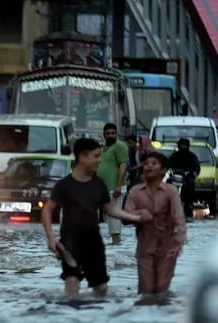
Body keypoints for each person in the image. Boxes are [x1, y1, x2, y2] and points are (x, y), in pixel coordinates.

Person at [42, 137, 148, 298]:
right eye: (96, 156)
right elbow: (47, 210)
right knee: (72, 289)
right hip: (70, 241)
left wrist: (134, 217)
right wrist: (50, 237)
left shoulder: (98, 184)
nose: (99, 161)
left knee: (101, 289)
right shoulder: (64, 185)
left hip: (94, 241)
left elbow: (110, 208)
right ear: (82, 157)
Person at [125, 151, 187, 296]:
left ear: (163, 169)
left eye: (154, 164)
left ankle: (161, 317)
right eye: (146, 164)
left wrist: (179, 243)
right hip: (144, 247)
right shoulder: (135, 191)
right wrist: (139, 215)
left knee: (161, 289)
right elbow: (125, 216)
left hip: (167, 248)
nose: (149, 167)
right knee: (145, 290)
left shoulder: (170, 192)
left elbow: (179, 218)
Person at [97, 123, 129, 245]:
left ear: (116, 134)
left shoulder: (120, 146)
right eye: (108, 133)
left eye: (113, 133)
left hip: (114, 188)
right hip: (104, 189)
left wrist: (118, 185)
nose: (110, 135)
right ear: (104, 135)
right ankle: (113, 245)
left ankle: (116, 243)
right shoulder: (105, 148)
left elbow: (123, 165)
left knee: (114, 218)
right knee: (108, 218)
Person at [168, 137, 202, 217]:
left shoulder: (192, 156)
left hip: (187, 175)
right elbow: (167, 164)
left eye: (185, 145)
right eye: (181, 145)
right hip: (175, 175)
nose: (183, 147)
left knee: (190, 183)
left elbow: (196, 166)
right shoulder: (174, 155)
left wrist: (195, 172)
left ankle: (189, 203)